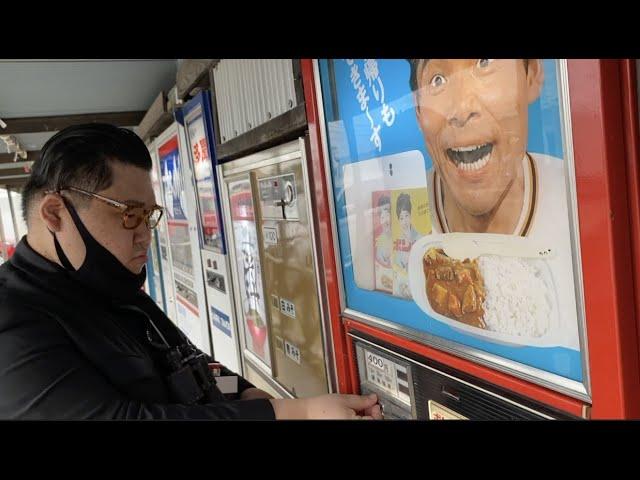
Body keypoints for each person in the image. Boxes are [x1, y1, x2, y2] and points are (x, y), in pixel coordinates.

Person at [0, 123, 382, 420]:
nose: (145, 236)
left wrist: (246, 394)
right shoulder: (13, 318)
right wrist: (293, 412)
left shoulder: (111, 287)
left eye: (149, 216)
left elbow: (192, 361)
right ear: (54, 214)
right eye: (130, 215)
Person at [409, 59, 570, 238]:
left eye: (484, 63)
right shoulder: (399, 224)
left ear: (530, 75)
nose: (462, 110)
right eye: (437, 80)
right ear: (418, 110)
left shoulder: (576, 204)